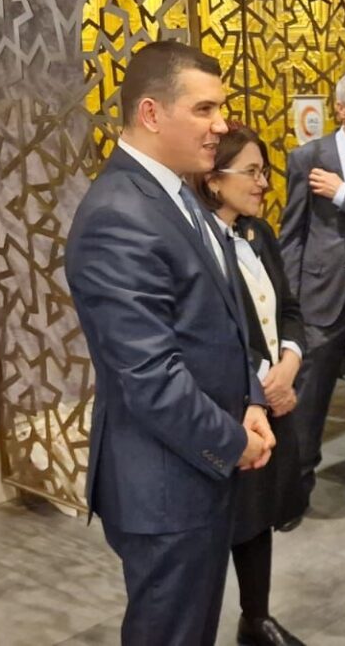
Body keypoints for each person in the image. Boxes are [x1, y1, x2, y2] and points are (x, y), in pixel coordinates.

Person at [65, 41, 275, 645]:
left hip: (197, 468)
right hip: (164, 484)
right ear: (152, 113)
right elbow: (149, 376)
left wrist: (251, 399)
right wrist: (233, 442)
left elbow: (224, 322)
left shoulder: (177, 196)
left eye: (221, 108)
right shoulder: (119, 214)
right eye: (205, 109)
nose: (221, 125)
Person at [190, 122, 309, 646]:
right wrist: (265, 380)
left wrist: (290, 362)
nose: (263, 183)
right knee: (223, 520)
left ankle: (255, 617)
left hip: (272, 395)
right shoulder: (195, 244)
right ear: (214, 179)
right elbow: (207, 333)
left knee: (258, 513)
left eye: (264, 172)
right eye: (252, 172)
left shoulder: (259, 234)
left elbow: (289, 309)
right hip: (226, 405)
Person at [279, 71, 345, 528]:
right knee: (308, 402)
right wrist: (290, 303)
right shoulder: (308, 158)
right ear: (340, 109)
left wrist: (344, 194)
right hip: (320, 298)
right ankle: (295, 491)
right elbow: (292, 233)